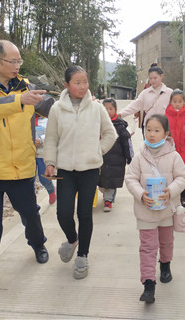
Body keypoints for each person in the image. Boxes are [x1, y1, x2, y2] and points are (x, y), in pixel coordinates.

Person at [0, 40, 54, 304]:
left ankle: (38, 243)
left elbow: (52, 107)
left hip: (22, 168)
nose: (18, 66)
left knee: (30, 213)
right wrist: (20, 100)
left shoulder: (27, 85)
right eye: (13, 61)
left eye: (19, 62)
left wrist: (80, 104)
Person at [43, 66, 117, 280]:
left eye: (85, 81)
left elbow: (110, 134)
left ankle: (83, 256)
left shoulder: (97, 108)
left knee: (85, 215)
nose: (83, 86)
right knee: (63, 213)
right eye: (77, 82)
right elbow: (51, 139)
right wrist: (50, 162)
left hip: (90, 171)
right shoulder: (57, 109)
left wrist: (97, 152)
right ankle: (72, 239)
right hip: (65, 170)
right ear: (66, 85)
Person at [125, 114, 185, 304]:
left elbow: (183, 178)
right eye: (148, 130)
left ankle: (166, 264)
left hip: (167, 210)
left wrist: (171, 191)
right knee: (147, 247)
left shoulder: (174, 156)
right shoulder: (139, 156)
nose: (151, 134)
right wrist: (140, 194)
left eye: (156, 130)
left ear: (166, 133)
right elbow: (130, 179)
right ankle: (149, 284)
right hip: (146, 211)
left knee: (166, 242)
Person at [118, 64, 173, 136]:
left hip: (164, 128)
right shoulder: (145, 93)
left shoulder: (170, 93)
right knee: (149, 146)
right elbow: (134, 106)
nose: (152, 81)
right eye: (150, 78)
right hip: (149, 128)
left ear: (161, 76)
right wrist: (120, 114)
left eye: (155, 78)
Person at [98, 98, 133, 212]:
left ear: (116, 110)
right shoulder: (97, 124)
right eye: (104, 109)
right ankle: (106, 194)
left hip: (116, 159)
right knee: (102, 181)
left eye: (110, 109)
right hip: (101, 157)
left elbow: (126, 143)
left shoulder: (120, 126)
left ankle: (108, 201)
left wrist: (129, 157)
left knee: (111, 180)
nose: (107, 111)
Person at [34, 116, 56, 204]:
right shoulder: (25, 117)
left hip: (42, 154)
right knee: (29, 180)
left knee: (44, 178)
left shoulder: (46, 119)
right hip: (28, 154)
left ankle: (51, 190)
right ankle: (32, 204)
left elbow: (51, 134)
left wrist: (40, 140)